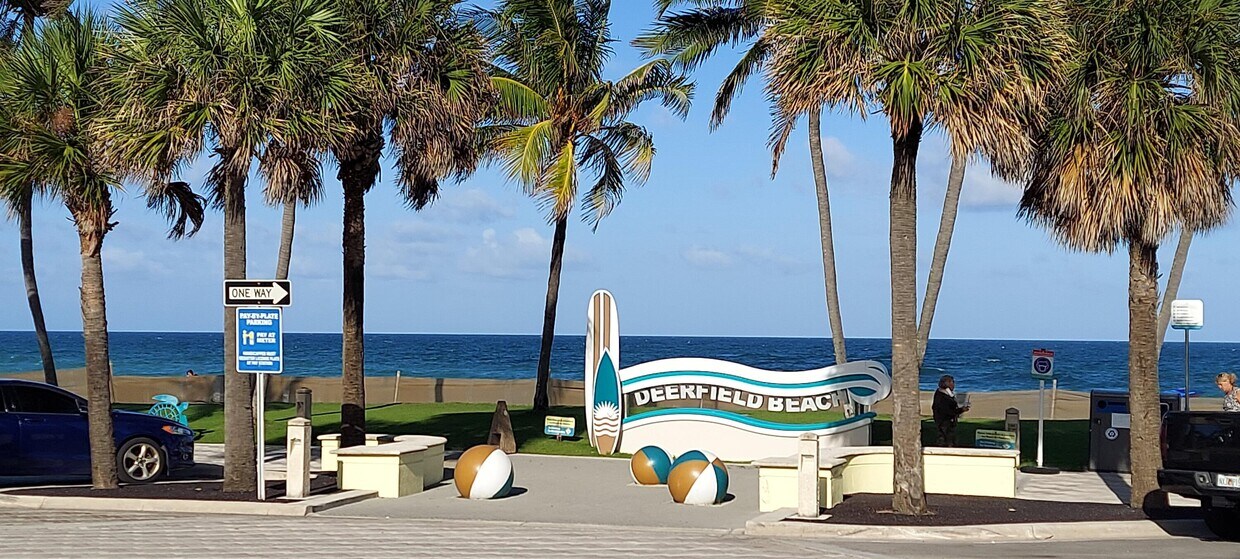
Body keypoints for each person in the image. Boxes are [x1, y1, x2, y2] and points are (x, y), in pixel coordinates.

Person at [932, 375, 969, 447]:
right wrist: (961, 410)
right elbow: (947, 410)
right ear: (947, 383)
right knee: (946, 439)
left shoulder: (946, 393)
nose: (954, 385)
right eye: (952, 382)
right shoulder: (942, 396)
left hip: (947, 421)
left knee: (949, 438)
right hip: (944, 421)